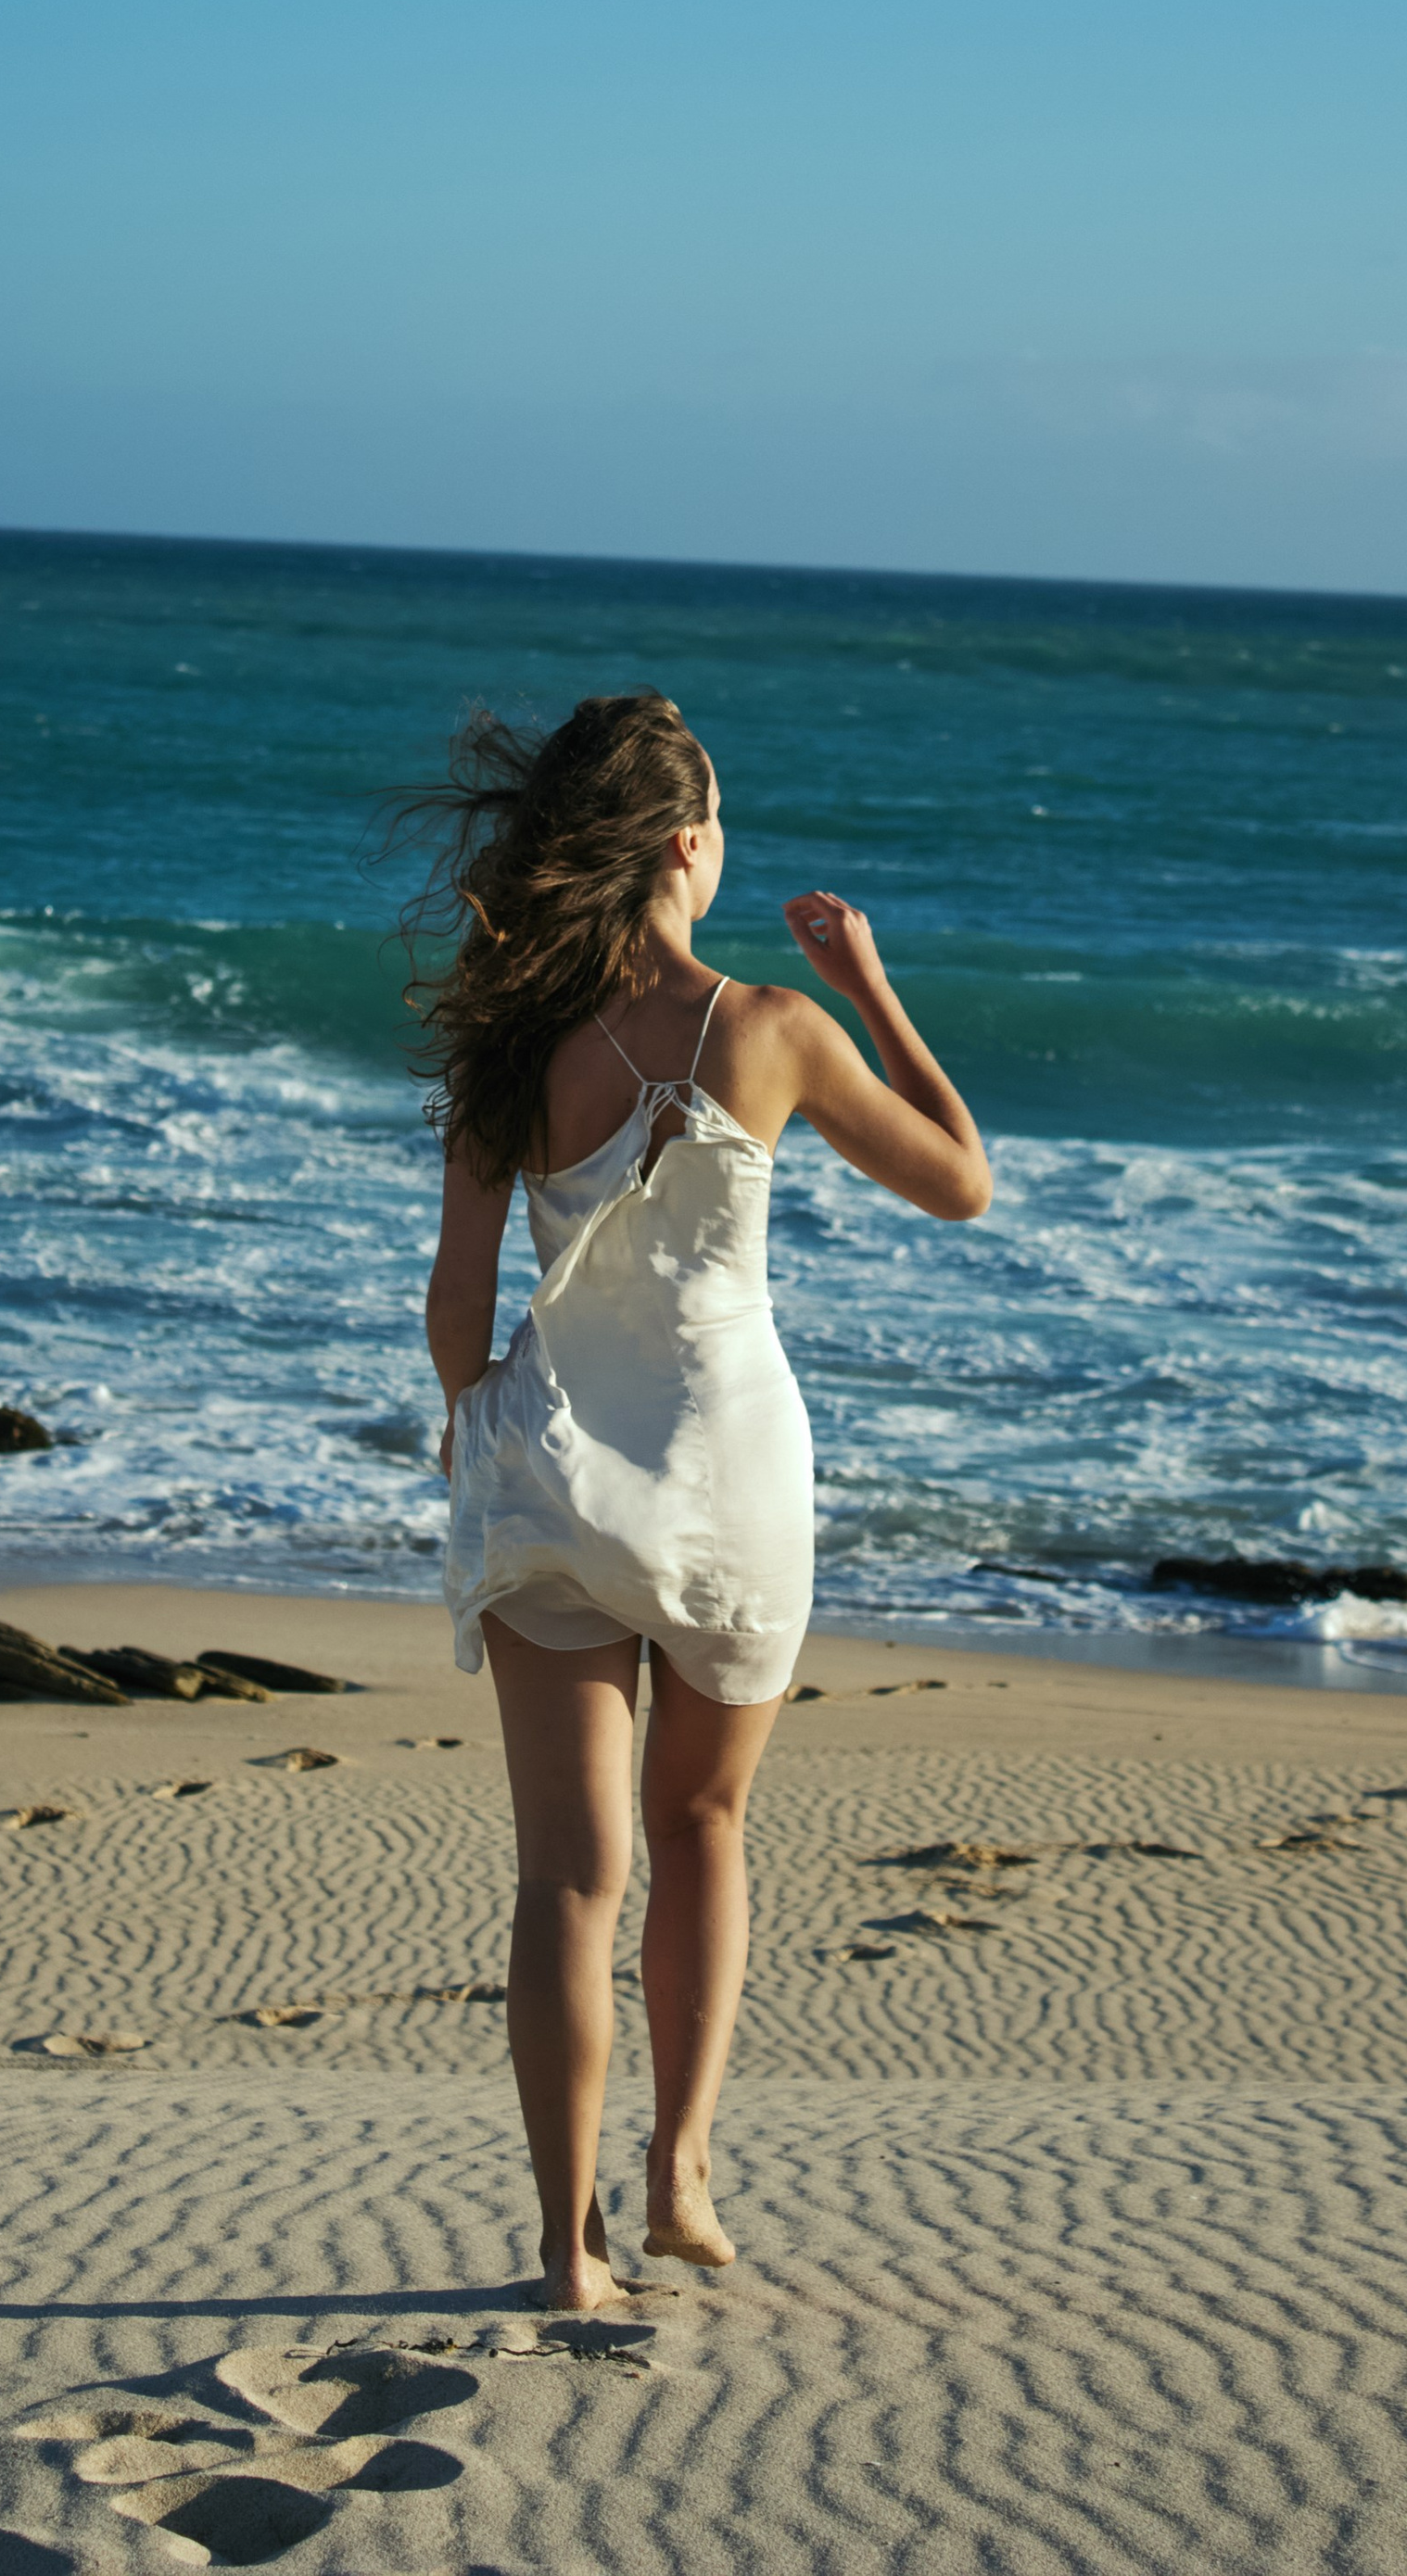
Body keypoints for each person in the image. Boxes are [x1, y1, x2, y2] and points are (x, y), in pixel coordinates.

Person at [395, 688, 990, 2309]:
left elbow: (456, 1293)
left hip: (551, 1474)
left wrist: (472, 1435)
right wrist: (872, 985)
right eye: (718, 816)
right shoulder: (778, 1028)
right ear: (684, 844)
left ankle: (561, 2252)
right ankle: (682, 2179)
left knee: (566, 1880)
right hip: (731, 1482)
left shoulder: (511, 1035)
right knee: (702, 1827)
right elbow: (962, 1177)